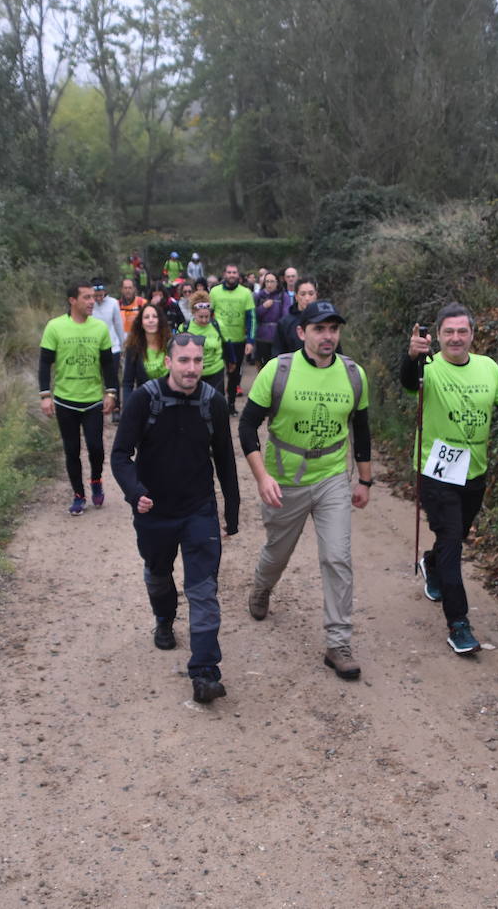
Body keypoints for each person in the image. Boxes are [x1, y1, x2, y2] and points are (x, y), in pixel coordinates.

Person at [402, 302, 498, 654]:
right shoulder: (430, 366)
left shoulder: (488, 367)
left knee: (456, 537)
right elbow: (408, 381)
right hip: (435, 471)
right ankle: (459, 624)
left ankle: (432, 563)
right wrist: (411, 356)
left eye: (462, 331)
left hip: (474, 471)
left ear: (472, 334)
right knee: (452, 540)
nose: (456, 338)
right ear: (437, 336)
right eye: (449, 332)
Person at [239, 300, 372, 681]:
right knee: (277, 553)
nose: (327, 336)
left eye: (333, 329)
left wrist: (364, 480)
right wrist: (263, 476)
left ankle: (338, 642)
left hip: (331, 477)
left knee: (337, 557)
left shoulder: (353, 375)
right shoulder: (277, 371)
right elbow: (248, 427)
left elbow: (361, 431)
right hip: (285, 481)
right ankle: (262, 588)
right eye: (319, 329)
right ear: (302, 333)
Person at [112, 331, 240, 703]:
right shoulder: (144, 400)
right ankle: (164, 618)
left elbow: (225, 461)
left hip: (198, 510)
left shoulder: (212, 402)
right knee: (158, 573)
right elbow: (120, 455)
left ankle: (204, 672)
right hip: (154, 510)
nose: (191, 368)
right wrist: (136, 493)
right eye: (184, 360)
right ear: (168, 362)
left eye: (198, 361)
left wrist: (231, 510)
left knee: (203, 590)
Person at [38, 282, 118, 514]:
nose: (92, 301)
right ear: (72, 300)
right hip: (65, 399)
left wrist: (111, 392)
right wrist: (45, 395)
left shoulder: (100, 328)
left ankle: (96, 480)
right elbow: (44, 363)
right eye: (86, 297)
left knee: (96, 448)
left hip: (93, 399)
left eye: (93, 297)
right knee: (71, 450)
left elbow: (107, 364)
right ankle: (78, 495)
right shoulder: (55, 327)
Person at [208, 264, 256, 412]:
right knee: (217, 373)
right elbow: (208, 314)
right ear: (224, 274)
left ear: (238, 275)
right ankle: (218, 404)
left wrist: (250, 340)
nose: (232, 275)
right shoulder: (215, 292)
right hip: (218, 340)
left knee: (234, 374)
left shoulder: (246, 293)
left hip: (238, 341)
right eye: (229, 272)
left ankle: (231, 404)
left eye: (234, 272)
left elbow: (251, 318)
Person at [90, 279, 128, 422]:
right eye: (96, 295)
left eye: (101, 295)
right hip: (94, 347)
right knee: (96, 377)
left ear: (105, 292)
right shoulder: (89, 304)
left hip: (113, 346)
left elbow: (118, 325)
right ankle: (98, 405)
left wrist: (123, 344)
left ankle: (116, 408)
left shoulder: (113, 303)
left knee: (112, 377)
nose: (98, 298)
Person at [181, 290, 227, 393]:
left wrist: (231, 361)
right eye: (200, 317)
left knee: (216, 403)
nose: (204, 320)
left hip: (216, 371)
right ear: (193, 313)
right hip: (194, 373)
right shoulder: (185, 327)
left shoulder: (217, 325)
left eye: (207, 316)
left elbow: (227, 344)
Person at [121, 303, 168, 396]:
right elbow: (127, 383)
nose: (151, 320)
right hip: (145, 402)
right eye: (146, 317)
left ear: (160, 321)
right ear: (141, 323)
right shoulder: (133, 348)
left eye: (154, 316)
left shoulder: (172, 345)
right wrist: (128, 408)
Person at [252, 271, 288, 366]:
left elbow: (285, 316)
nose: (269, 284)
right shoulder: (258, 296)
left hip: (277, 336)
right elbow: (253, 315)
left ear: (277, 282)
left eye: (272, 281)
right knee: (261, 363)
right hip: (261, 336)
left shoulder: (283, 296)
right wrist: (263, 307)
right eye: (267, 281)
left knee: (276, 364)